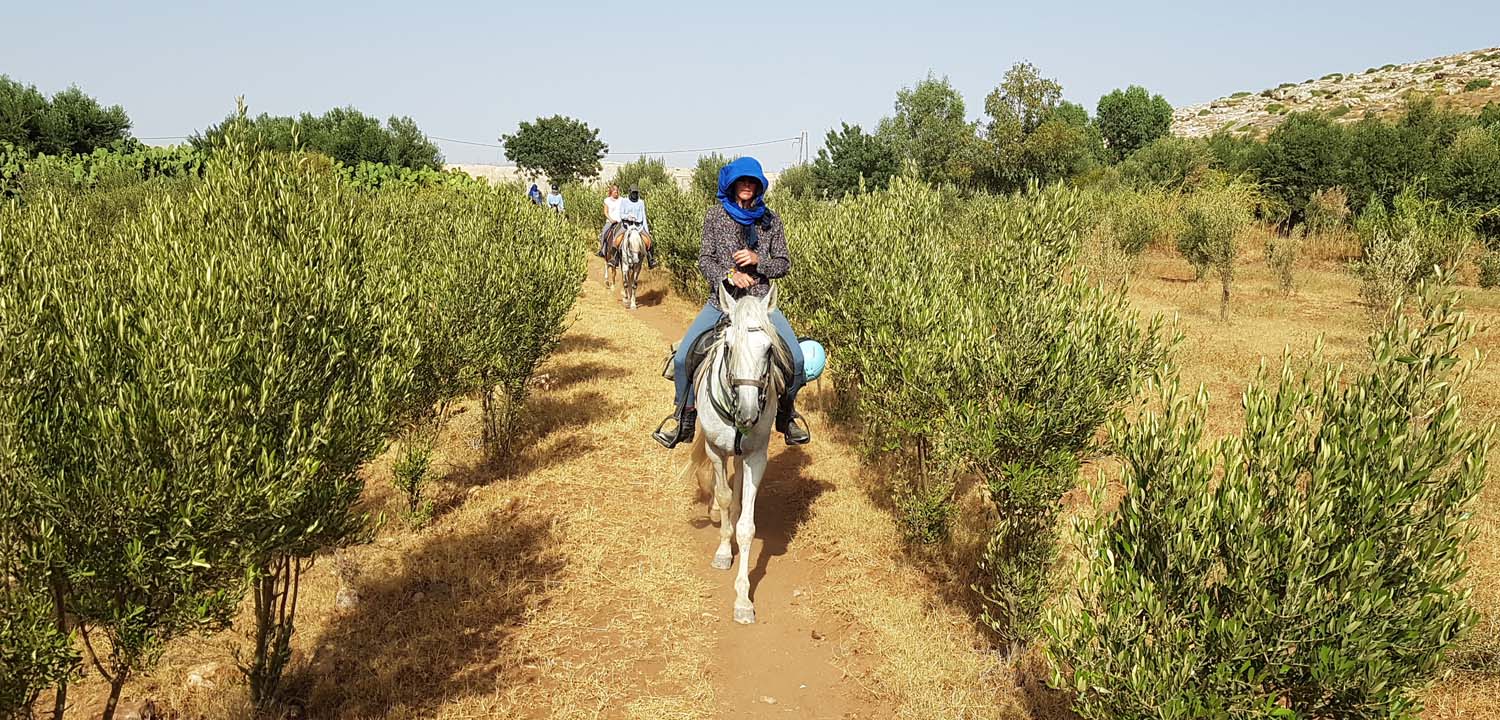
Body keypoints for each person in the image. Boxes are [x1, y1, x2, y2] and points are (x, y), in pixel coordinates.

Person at [652, 157, 809, 448]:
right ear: (733, 185)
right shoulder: (715, 216)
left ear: (759, 186)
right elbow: (705, 259)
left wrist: (758, 261)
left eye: (753, 181)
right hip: (723, 302)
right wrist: (728, 275)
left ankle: (786, 418)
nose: (747, 185)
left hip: (761, 303)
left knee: (797, 360)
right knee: (684, 357)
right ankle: (682, 417)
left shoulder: (771, 220)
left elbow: (784, 263)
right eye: (742, 181)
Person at [617, 184, 660, 269]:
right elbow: (621, 214)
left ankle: (651, 259)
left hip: (638, 226)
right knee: (616, 240)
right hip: (626, 225)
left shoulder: (641, 202)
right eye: (633, 193)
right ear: (630, 192)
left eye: (636, 193)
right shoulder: (624, 201)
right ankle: (614, 258)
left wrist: (646, 231)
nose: (634, 195)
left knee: (649, 242)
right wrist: (627, 216)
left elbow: (643, 217)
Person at [598, 185, 623, 258]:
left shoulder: (622, 200)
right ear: (611, 192)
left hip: (620, 222)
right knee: (604, 233)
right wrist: (611, 220)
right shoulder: (607, 200)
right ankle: (602, 250)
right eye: (615, 192)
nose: (616, 193)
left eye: (617, 191)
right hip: (610, 222)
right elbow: (605, 212)